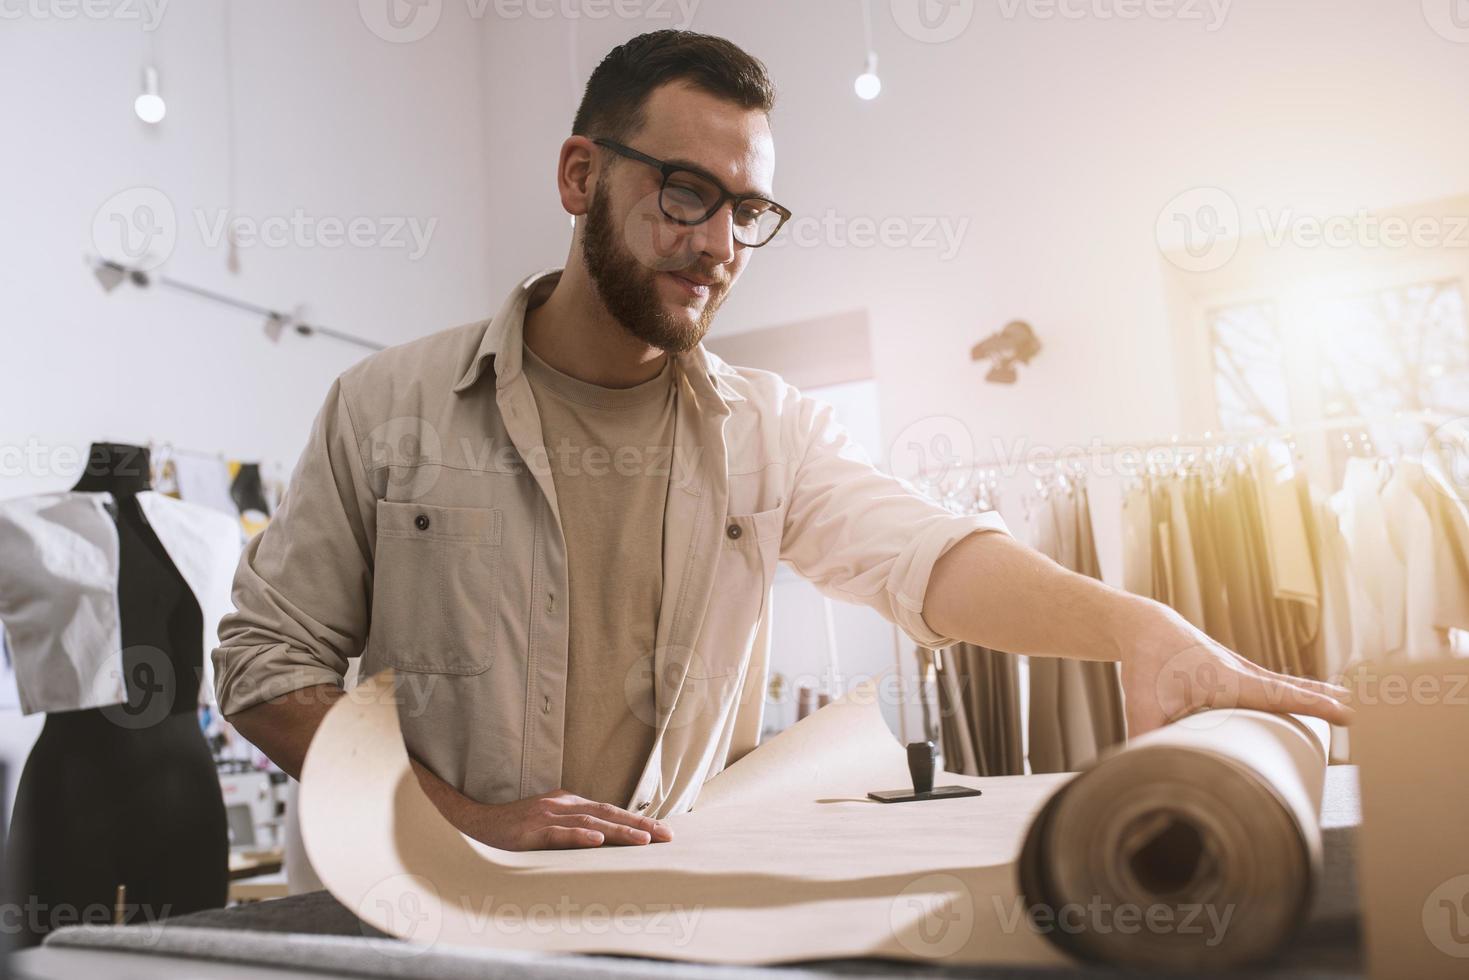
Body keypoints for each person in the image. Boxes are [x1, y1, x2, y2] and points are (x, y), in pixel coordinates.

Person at [214, 30, 1350, 853]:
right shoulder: (388, 402)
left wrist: (1136, 627)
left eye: (743, 210)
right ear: (579, 176)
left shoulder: (767, 428)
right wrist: (462, 823)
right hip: (414, 918)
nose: (713, 241)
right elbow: (265, 665)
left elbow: (926, 557)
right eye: (680, 191)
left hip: (644, 921)